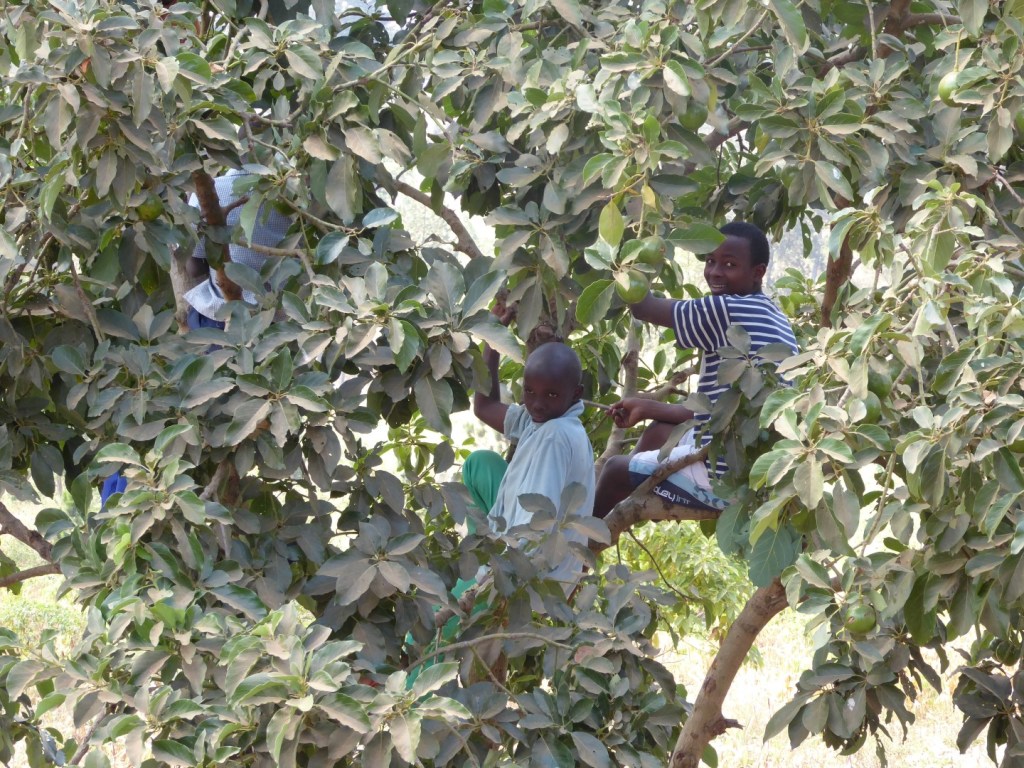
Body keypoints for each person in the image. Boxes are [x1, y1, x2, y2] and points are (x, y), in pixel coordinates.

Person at [592, 221, 799, 519]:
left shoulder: (726, 309)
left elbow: (641, 306)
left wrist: (638, 253)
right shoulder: (773, 314)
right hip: (755, 468)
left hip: (724, 476)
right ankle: (640, 488)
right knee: (661, 431)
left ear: (758, 273)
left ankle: (578, 552)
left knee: (613, 470)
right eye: (710, 261)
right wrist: (647, 407)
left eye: (729, 264)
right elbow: (718, 413)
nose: (715, 272)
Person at [463, 332, 596, 587]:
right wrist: (493, 338)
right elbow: (484, 407)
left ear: (576, 393)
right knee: (478, 463)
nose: (537, 403)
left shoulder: (555, 436)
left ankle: (485, 567)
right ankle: (484, 545)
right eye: (529, 391)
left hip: (535, 580)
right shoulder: (541, 419)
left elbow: (537, 527)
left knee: (434, 614)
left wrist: (489, 582)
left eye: (551, 395)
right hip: (520, 534)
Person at [183, 169, 292, 330]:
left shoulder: (206, 193)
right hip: (278, 315)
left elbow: (194, 269)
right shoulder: (289, 193)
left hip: (219, 313)